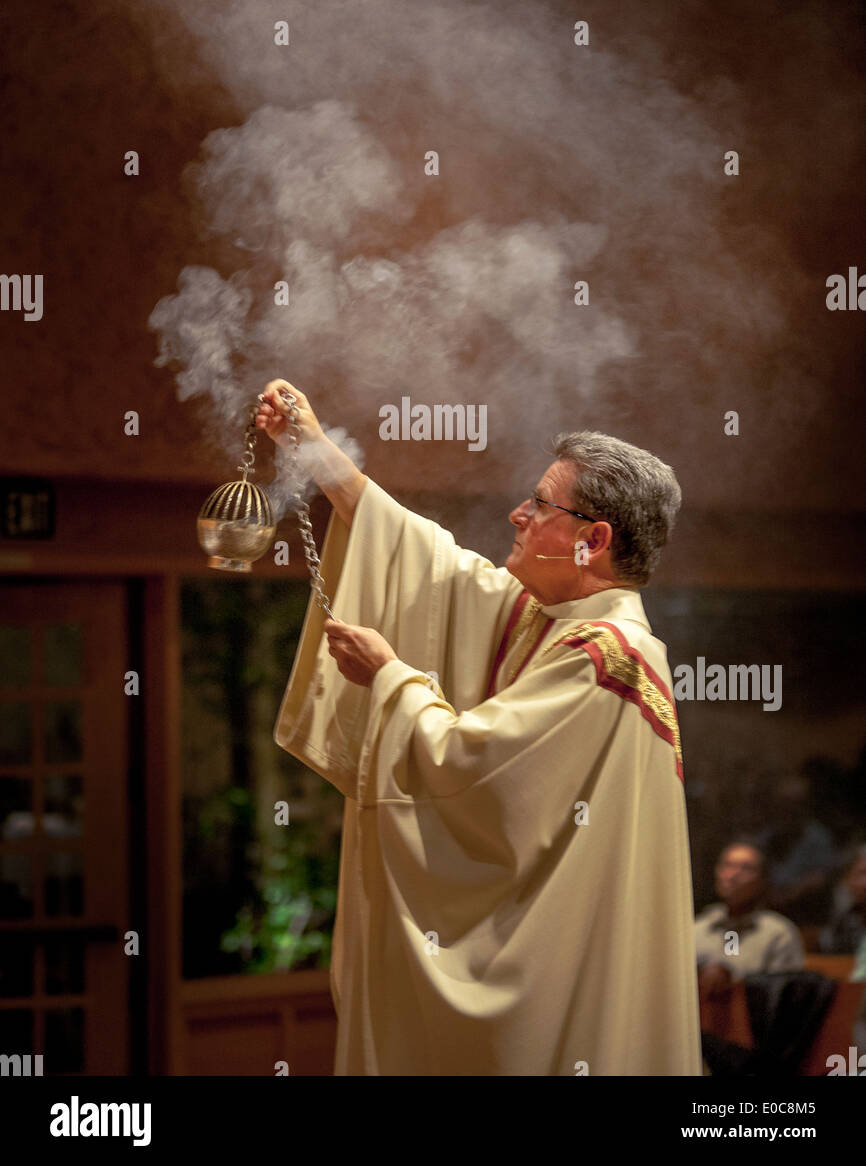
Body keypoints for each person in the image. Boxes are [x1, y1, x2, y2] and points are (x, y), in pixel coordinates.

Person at [258, 379, 702, 1076]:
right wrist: (316, 454)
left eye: (542, 505)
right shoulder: (550, 620)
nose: (517, 513)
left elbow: (473, 770)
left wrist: (388, 677)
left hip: (561, 978)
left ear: (594, 540)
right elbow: (426, 561)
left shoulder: (609, 659)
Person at [695, 842, 805, 1000]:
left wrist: (733, 979)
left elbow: (787, 995)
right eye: (727, 865)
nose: (733, 875)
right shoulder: (696, 929)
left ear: (762, 880)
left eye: (746, 869)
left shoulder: (778, 933)